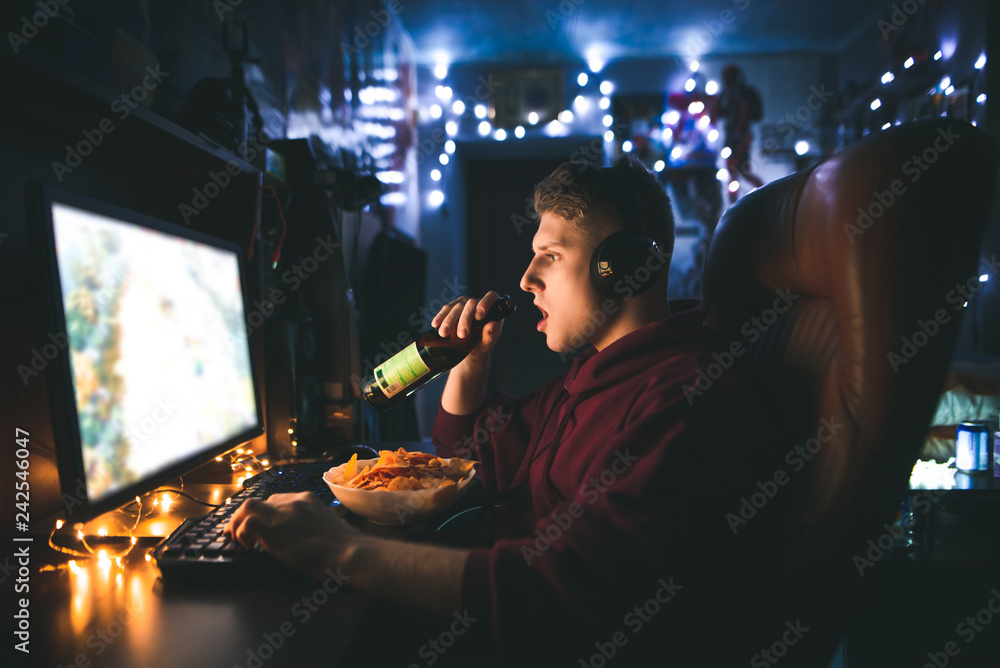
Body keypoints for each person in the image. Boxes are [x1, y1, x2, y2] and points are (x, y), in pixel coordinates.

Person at [227, 155, 802, 665]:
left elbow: (569, 588)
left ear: (625, 265)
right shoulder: (592, 376)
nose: (527, 281)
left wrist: (340, 549)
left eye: (550, 257)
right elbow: (466, 460)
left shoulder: (684, 397)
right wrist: (472, 364)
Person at [718, 63, 765, 203]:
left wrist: (738, 132)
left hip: (738, 139)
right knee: (740, 173)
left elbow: (743, 109)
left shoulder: (736, 93)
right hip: (739, 138)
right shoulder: (731, 93)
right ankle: (762, 195)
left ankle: (761, 195)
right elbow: (724, 111)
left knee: (738, 173)